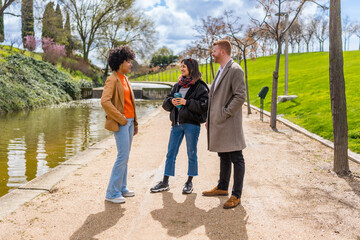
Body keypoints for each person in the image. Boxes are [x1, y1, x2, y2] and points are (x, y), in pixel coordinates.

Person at [150, 58, 209, 194]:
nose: (181, 68)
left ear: (192, 68)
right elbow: (165, 104)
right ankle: (165, 182)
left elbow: (204, 106)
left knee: (191, 153)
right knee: (171, 153)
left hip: (191, 125)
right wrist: (172, 101)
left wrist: (186, 102)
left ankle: (189, 182)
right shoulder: (177, 85)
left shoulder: (200, 86)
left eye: (184, 66)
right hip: (176, 123)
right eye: (181, 66)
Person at [202, 39, 246, 209]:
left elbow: (240, 96)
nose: (212, 53)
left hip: (229, 123)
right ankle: (222, 187)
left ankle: (236, 195)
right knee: (224, 155)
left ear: (223, 51)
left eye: (214, 51)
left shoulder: (235, 70)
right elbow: (215, 96)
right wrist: (210, 118)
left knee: (236, 157)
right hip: (219, 122)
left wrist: (224, 113)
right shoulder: (221, 69)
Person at [101, 46, 138, 204]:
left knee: (125, 157)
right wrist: (121, 118)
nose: (131, 64)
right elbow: (105, 101)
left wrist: (134, 123)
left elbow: (131, 103)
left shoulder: (125, 78)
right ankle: (112, 192)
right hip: (122, 123)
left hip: (129, 123)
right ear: (120, 62)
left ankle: (122, 187)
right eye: (128, 61)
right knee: (122, 156)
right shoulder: (112, 79)